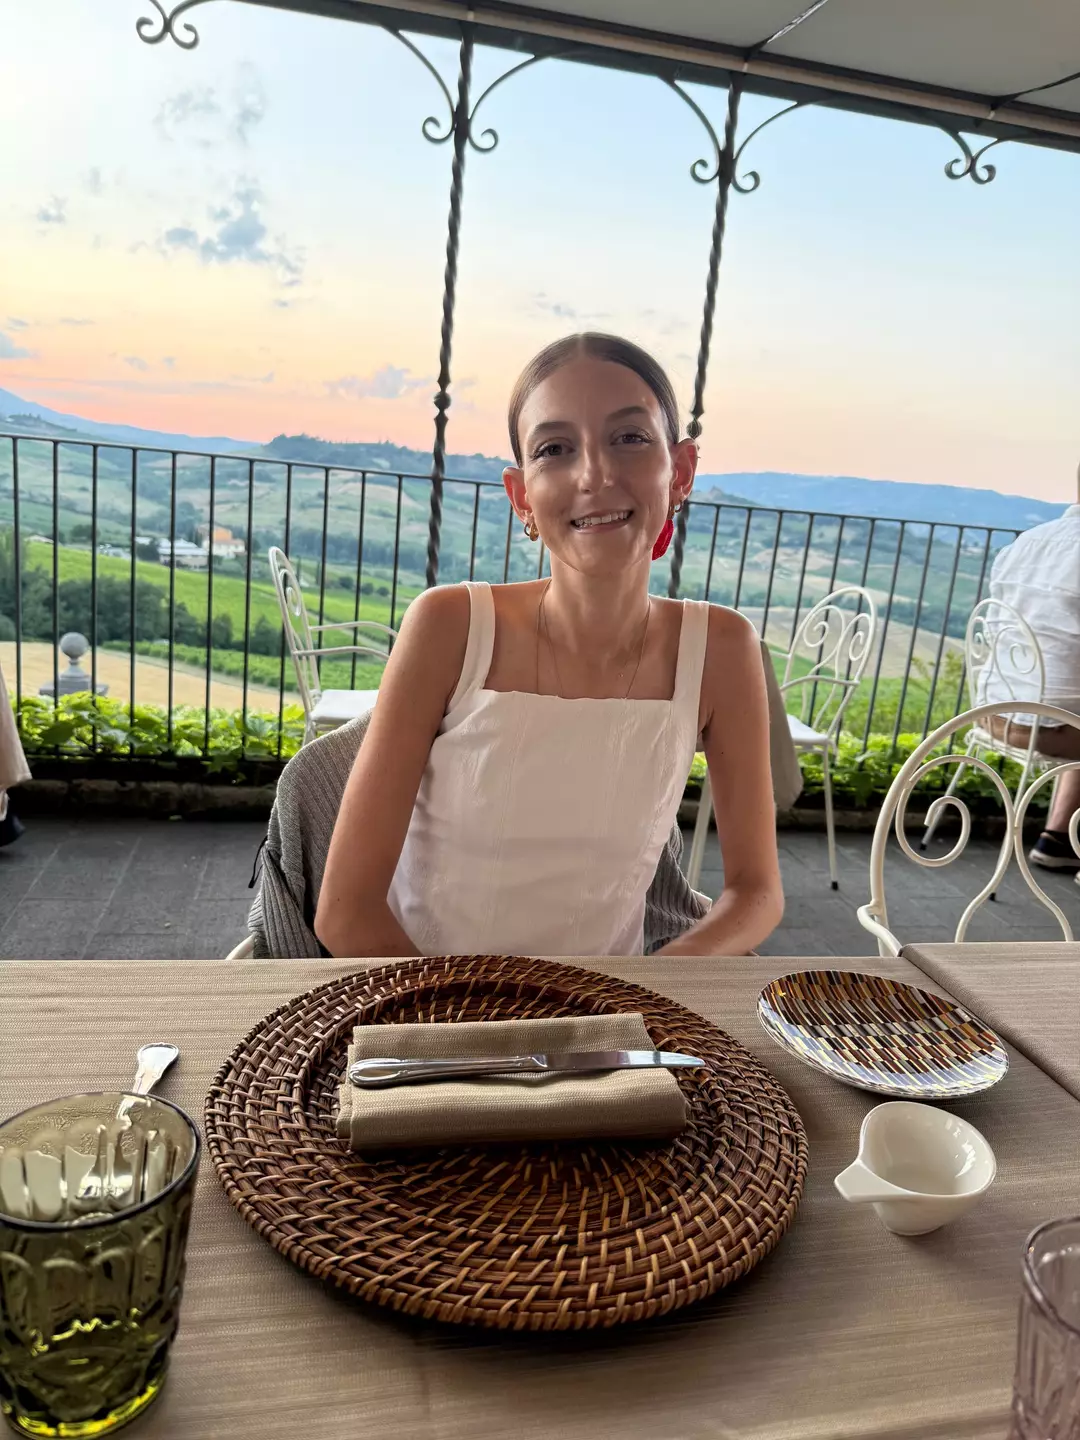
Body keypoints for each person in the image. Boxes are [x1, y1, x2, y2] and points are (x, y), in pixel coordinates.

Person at [316, 333, 783, 958]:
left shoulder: (720, 649)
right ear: (522, 497)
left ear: (681, 472)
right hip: (428, 1000)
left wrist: (653, 989)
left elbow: (756, 893)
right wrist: (465, 1016)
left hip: (602, 1011)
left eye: (629, 437)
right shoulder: (451, 627)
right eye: (555, 449)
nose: (595, 475)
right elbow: (345, 913)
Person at [983, 467, 1080, 873]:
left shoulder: (1027, 541)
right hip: (1055, 727)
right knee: (1068, 707)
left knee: (1069, 699)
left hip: (994, 712)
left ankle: (1058, 838)